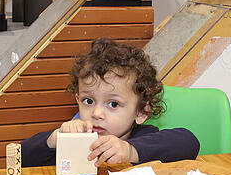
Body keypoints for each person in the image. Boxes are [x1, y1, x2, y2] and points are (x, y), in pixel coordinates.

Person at [21, 38, 199, 167]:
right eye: (88, 101)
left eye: (113, 104)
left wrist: (130, 151)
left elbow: (188, 142)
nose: (97, 113)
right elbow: (20, 156)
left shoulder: (143, 138)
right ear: (77, 99)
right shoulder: (73, 140)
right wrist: (53, 140)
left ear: (141, 112)